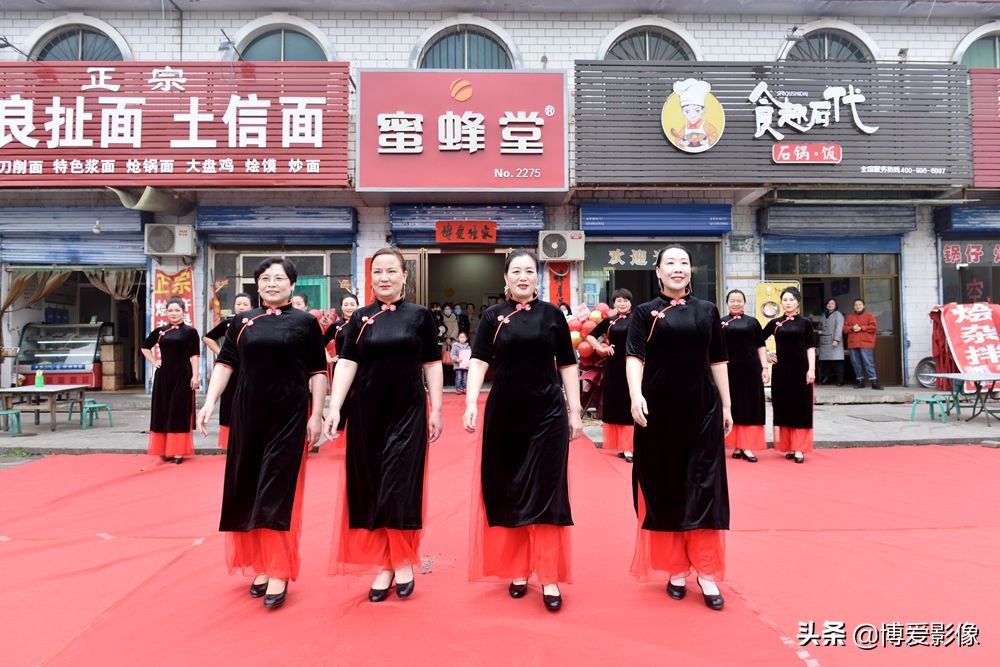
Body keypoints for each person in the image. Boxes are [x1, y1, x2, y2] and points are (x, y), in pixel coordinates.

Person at [196, 257, 328, 610]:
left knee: (277, 490)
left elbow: (317, 372)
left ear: (292, 284)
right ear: (257, 285)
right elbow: (226, 364)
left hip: (289, 415)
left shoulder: (305, 323)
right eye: (265, 278)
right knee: (249, 486)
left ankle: (279, 569)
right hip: (247, 415)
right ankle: (260, 564)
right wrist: (209, 402)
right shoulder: (241, 322)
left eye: (279, 278)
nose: (272, 283)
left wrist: (317, 415)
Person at [463, 249, 582, 613]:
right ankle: (517, 570)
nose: (523, 277)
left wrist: (574, 410)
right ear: (506, 278)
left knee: (548, 491)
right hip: (505, 415)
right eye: (516, 271)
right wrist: (470, 403)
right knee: (510, 488)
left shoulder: (553, 316)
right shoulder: (493, 317)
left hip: (547, 415)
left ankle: (548, 575)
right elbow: (480, 361)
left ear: (538, 277)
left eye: (530, 271)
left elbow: (567, 364)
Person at [324, 247, 443, 602]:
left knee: (399, 486)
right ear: (370, 277)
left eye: (392, 271)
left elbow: (433, 364)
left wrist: (436, 408)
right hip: (366, 414)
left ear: (405, 275)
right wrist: (334, 406)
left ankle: (402, 562)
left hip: (407, 411)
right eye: (378, 272)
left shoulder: (420, 316)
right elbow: (347, 363)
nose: (384, 278)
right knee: (372, 486)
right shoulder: (359, 319)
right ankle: (384, 564)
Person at [625, 244, 732, 611]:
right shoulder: (644, 312)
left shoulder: (707, 310)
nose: (677, 268)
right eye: (670, 263)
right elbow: (634, 356)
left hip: (702, 411)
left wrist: (728, 403)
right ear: (657, 272)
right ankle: (675, 570)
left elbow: (717, 358)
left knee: (704, 487)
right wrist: (635, 395)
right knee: (666, 487)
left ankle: (705, 571)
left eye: (684, 263)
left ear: (691, 271)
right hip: (658, 413)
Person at [141, 297, 200, 464]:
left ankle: (178, 452)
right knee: (162, 411)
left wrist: (195, 376)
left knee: (178, 411)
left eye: (177, 310)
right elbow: (145, 347)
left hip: (183, 375)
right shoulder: (161, 331)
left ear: (183, 312)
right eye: (170, 311)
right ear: (165, 312)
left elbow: (194, 355)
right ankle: (164, 450)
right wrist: (154, 362)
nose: (173, 313)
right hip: (163, 375)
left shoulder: (190, 332)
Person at [763, 287, 816, 465]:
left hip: (801, 371)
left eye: (791, 299)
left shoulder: (805, 323)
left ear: (798, 302)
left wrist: (812, 370)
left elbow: (810, 347)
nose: (788, 303)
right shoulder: (776, 323)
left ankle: (799, 448)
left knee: (801, 407)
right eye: (785, 299)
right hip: (781, 371)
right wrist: (768, 354)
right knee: (784, 406)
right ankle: (789, 446)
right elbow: (757, 339)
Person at [586, 288, 634, 462]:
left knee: (630, 403)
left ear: (631, 302)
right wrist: (601, 348)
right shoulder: (610, 321)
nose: (622, 303)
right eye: (619, 300)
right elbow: (591, 336)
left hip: (632, 365)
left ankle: (629, 448)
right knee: (616, 404)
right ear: (614, 303)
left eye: (625, 300)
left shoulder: (637, 319)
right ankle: (621, 446)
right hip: (613, 366)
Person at [720, 289, 768, 464]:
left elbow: (761, 346)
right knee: (733, 405)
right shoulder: (721, 323)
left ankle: (746, 446)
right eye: (732, 300)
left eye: (739, 300)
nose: (736, 303)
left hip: (750, 370)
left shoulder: (752, 322)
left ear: (744, 302)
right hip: (728, 371)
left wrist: (764, 368)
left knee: (749, 405)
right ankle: (736, 445)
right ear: (727, 302)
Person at [203, 292, 254, 449]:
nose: (241, 307)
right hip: (229, 371)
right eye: (238, 304)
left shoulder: (257, 322)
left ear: (252, 307)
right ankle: (229, 442)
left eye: (245, 304)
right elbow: (208, 338)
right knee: (229, 403)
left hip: (251, 370)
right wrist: (221, 353)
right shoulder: (228, 324)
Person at [844, 298, 881, 390]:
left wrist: (862, 328)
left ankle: (874, 382)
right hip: (853, 343)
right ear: (854, 306)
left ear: (863, 306)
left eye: (860, 304)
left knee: (868, 362)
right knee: (856, 363)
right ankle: (860, 381)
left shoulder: (869, 316)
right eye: (856, 305)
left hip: (866, 343)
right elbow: (845, 329)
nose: (858, 306)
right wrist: (852, 328)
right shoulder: (849, 317)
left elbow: (874, 327)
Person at [818, 298, 845, 386]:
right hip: (824, 341)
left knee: (837, 361)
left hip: (834, 340)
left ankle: (840, 380)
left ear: (835, 305)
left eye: (832, 303)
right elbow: (820, 325)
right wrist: (819, 330)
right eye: (828, 303)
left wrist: (836, 340)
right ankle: (826, 379)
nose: (830, 305)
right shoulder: (823, 315)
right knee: (826, 362)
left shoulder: (838, 315)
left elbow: (839, 328)